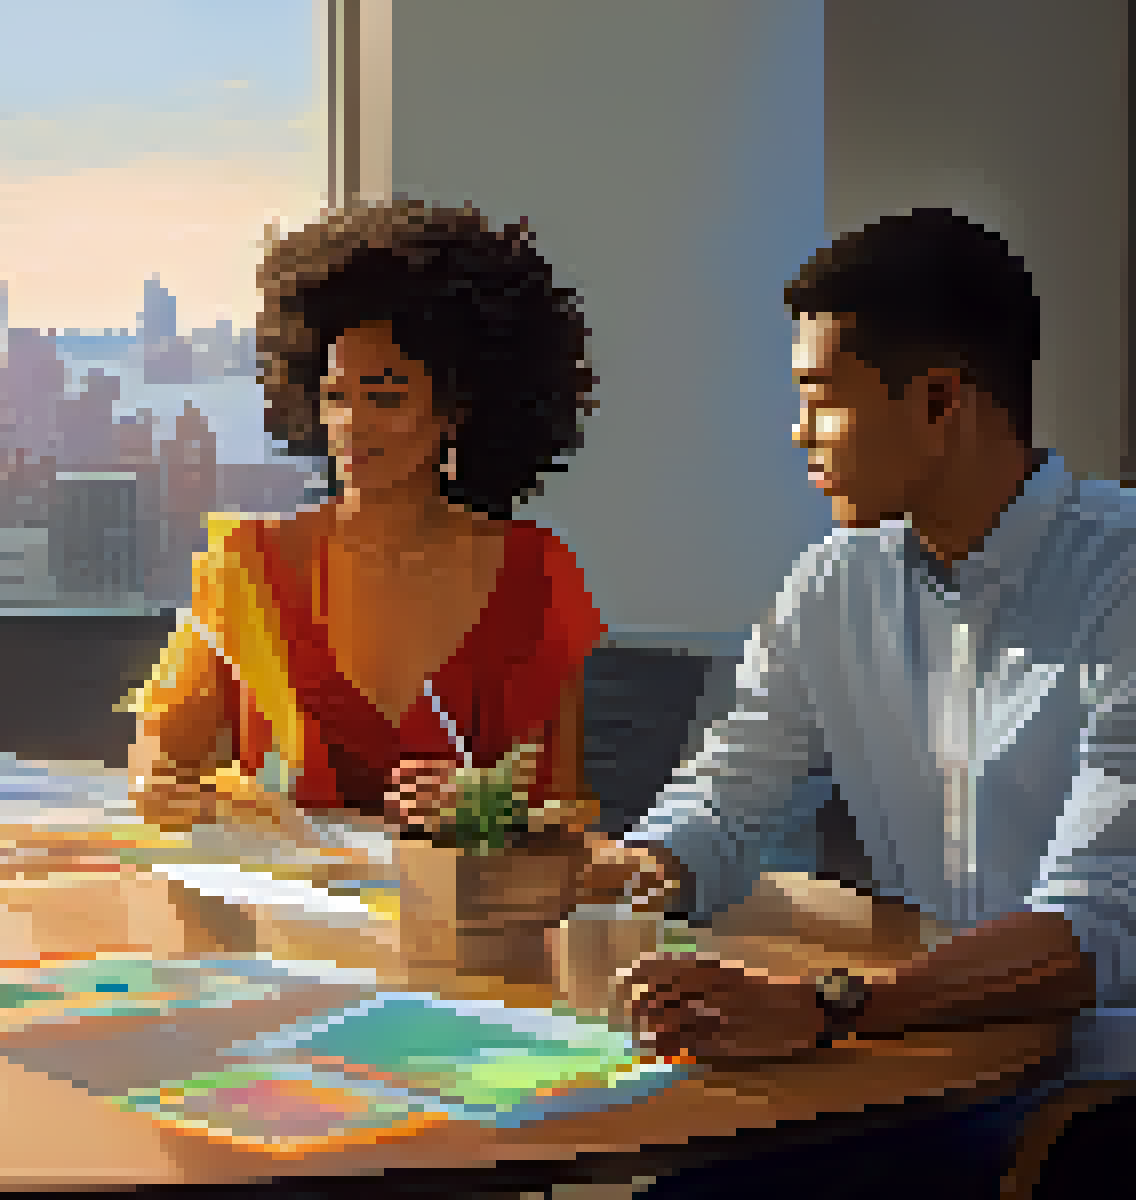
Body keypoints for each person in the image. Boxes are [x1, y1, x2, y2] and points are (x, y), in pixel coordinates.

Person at [581, 209, 1136, 1198]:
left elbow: (1095, 928)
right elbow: (729, 791)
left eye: (820, 399)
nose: (799, 434)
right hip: (911, 1058)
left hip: (1091, 1092)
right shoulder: (834, 583)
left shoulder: (1121, 578)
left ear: (938, 400)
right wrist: (630, 870)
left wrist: (831, 1005)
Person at [126, 199, 605, 843]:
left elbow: (568, 813)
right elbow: (157, 769)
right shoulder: (247, 563)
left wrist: (484, 811)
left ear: (455, 409)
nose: (353, 424)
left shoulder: (533, 573)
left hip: (457, 926)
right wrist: (198, 796)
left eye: (385, 396)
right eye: (335, 396)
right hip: (278, 931)